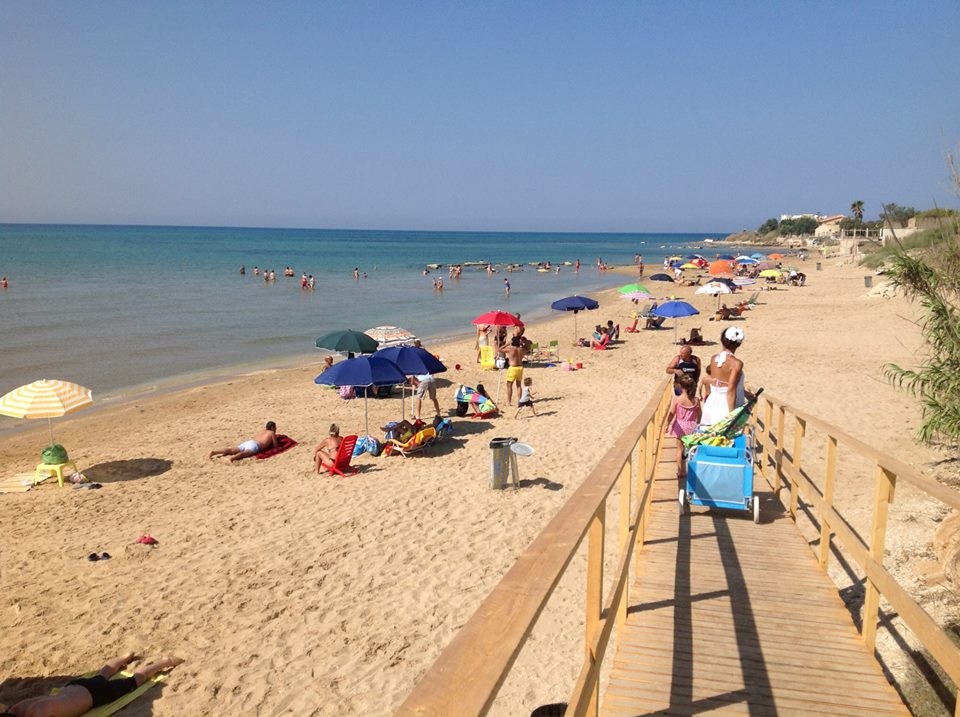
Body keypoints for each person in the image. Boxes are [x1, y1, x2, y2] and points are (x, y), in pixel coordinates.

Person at [4, 653, 183, 717]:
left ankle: (164, 662)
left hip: (95, 695)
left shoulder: (40, 713)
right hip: (74, 686)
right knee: (101, 674)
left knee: (136, 679)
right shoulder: (19, 707)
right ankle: (125, 657)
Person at [699, 327, 747, 427]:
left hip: (712, 402)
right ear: (739, 344)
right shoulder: (736, 363)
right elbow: (730, 389)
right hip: (727, 404)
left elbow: (718, 382)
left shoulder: (714, 359)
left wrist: (745, 392)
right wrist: (731, 415)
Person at [665, 374, 701, 481]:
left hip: (680, 426)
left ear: (680, 386)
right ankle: (692, 471)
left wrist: (667, 423)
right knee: (691, 449)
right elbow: (700, 414)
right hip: (691, 426)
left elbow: (671, 413)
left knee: (679, 449)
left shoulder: (677, 399)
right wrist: (697, 424)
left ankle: (681, 472)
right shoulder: (696, 400)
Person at [208, 421, 278, 461]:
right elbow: (276, 446)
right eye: (275, 427)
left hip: (249, 442)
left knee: (231, 450)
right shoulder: (271, 433)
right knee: (244, 453)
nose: (276, 429)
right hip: (255, 445)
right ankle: (232, 458)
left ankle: (214, 452)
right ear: (272, 427)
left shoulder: (263, 431)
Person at [503, 336, 524, 405]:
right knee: (518, 385)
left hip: (513, 368)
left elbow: (499, 349)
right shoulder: (521, 349)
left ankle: (509, 402)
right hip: (520, 367)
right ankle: (519, 400)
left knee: (509, 385)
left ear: (512, 342)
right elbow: (524, 354)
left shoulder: (510, 349)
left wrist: (507, 344)